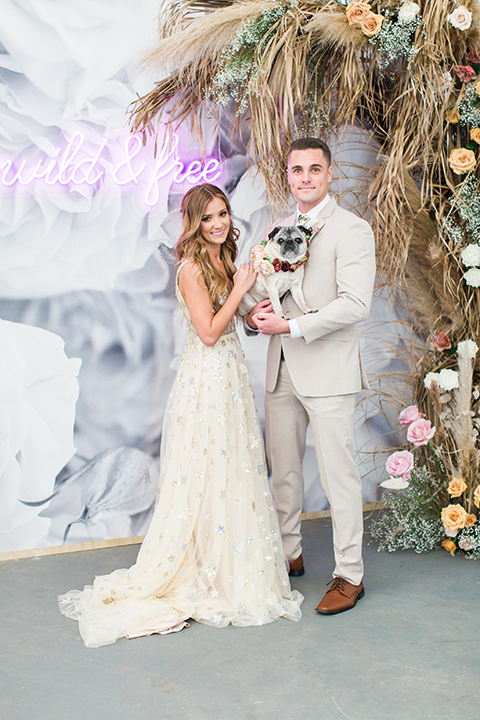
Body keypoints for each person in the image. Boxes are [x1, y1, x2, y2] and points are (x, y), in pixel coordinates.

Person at [58, 183, 303, 647]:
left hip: (230, 376)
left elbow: (232, 321)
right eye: (209, 217)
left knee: (230, 470)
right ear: (194, 222)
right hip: (207, 378)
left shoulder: (223, 258)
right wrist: (242, 289)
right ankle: (202, 569)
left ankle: (229, 561)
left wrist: (252, 313)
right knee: (207, 469)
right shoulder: (191, 267)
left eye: (224, 213)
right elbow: (209, 332)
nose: (219, 223)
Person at [245, 138, 375, 615]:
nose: (305, 177)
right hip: (281, 370)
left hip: (327, 370)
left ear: (329, 174)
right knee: (285, 471)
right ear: (289, 174)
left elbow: (355, 303)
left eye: (314, 169)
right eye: (297, 169)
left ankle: (349, 575)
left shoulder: (352, 230)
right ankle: (288, 553)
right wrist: (253, 315)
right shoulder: (278, 228)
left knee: (339, 475)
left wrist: (293, 326)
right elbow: (264, 290)